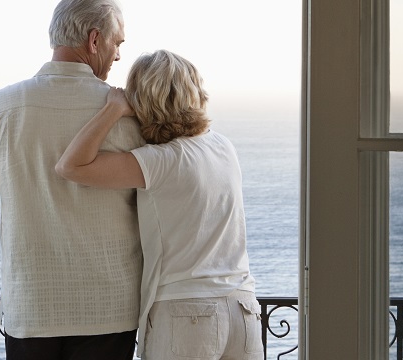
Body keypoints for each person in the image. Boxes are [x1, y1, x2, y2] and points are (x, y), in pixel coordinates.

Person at [0, 0, 144, 358]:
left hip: (32, 305)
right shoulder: (129, 114)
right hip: (109, 307)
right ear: (95, 40)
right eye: (118, 43)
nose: (119, 55)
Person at [56, 50, 261, 360]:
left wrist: (112, 110)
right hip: (243, 309)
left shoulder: (160, 162)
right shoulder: (223, 147)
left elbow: (70, 166)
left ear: (142, 100)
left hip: (186, 312)